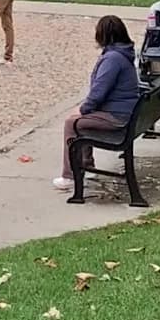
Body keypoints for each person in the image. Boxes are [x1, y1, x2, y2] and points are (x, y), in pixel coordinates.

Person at [53, 15, 139, 190]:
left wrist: (83, 109)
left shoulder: (112, 59)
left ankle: (70, 175)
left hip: (117, 116)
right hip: (127, 111)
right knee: (84, 119)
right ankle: (87, 164)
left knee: (72, 123)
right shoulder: (124, 54)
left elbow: (99, 92)